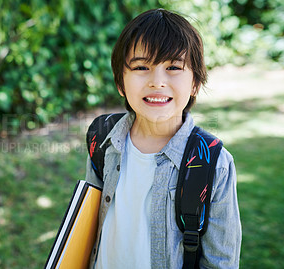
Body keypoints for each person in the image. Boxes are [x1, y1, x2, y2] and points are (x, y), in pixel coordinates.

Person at [85, 8, 241, 268]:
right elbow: (88, 225)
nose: (157, 81)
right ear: (120, 82)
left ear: (195, 84)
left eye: (173, 67)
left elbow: (220, 261)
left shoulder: (214, 163)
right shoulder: (102, 139)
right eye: (142, 67)